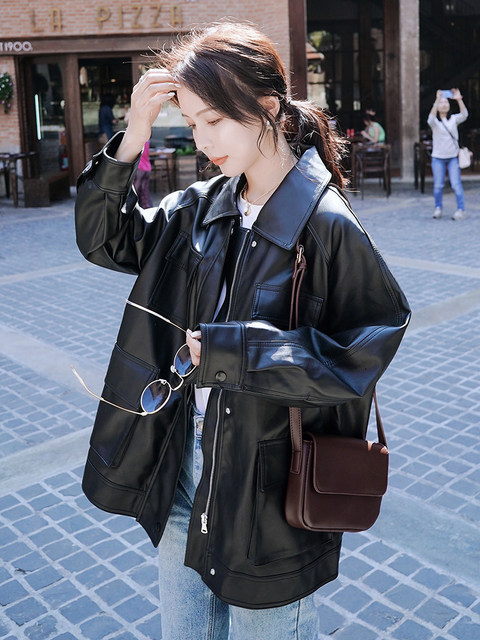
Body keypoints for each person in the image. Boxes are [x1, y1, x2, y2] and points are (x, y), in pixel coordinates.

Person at [74, 22, 410, 640]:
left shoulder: (325, 225)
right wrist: (133, 137)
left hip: (270, 491)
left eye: (215, 120)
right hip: (185, 471)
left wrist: (239, 352)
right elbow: (104, 240)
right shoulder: (201, 208)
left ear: (268, 107)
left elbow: (365, 351)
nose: (202, 142)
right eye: (191, 123)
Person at [427, 88, 468, 220]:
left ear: (449, 105)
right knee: (438, 186)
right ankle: (438, 208)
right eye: (441, 102)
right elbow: (430, 119)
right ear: (437, 106)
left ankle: (461, 209)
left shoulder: (454, 119)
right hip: (438, 158)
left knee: (456, 184)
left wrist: (459, 100)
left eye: (446, 102)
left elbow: (464, 114)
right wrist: (437, 99)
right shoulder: (435, 122)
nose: (444, 104)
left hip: (453, 158)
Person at [124, 106, 153, 208]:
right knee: (145, 195)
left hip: (138, 167)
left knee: (134, 195)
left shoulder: (132, 133)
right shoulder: (145, 132)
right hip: (146, 167)